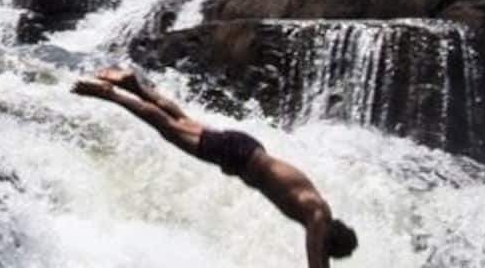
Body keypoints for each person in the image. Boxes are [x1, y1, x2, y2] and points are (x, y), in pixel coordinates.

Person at [72, 68, 359, 267]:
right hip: (241, 156)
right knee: (169, 128)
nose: (322, 247)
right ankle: (112, 94)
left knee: (181, 121)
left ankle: (133, 85)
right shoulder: (318, 217)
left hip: (246, 149)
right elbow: (315, 258)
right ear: (332, 241)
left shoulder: (319, 212)